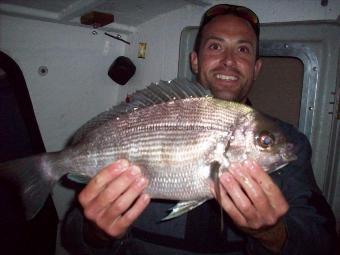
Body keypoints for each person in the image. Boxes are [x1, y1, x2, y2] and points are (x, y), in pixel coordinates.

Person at [62, 4, 337, 255]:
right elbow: (72, 237)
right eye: (215, 47)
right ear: (195, 60)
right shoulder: (144, 118)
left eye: (242, 49)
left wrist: (272, 233)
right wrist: (95, 233)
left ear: (256, 68)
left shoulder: (290, 143)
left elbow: (325, 244)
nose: (229, 60)